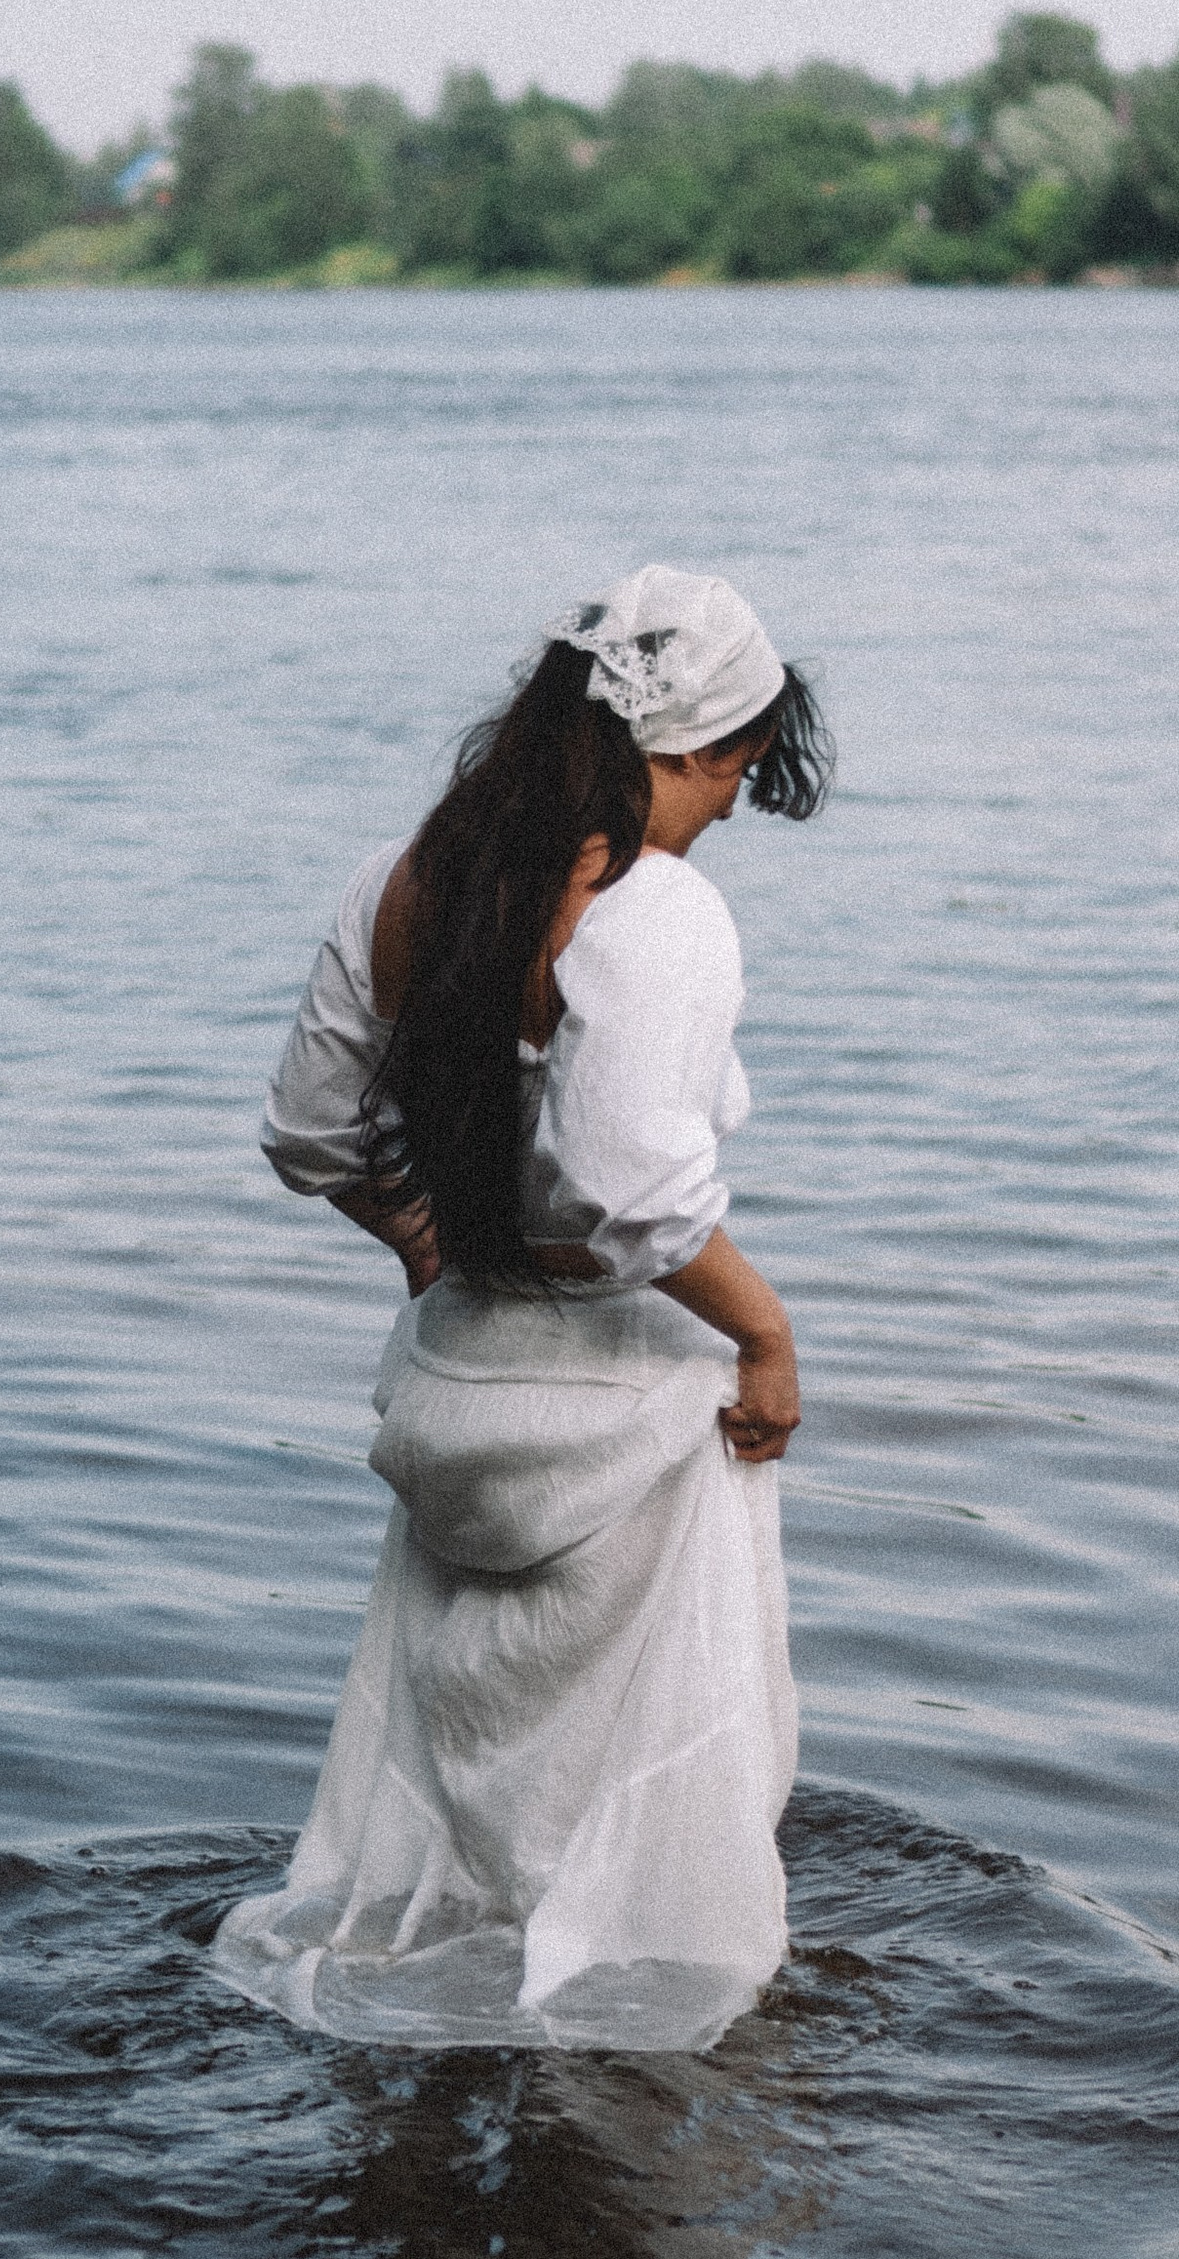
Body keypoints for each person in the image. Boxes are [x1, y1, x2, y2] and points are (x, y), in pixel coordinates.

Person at [213, 566, 832, 2055]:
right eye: (739, 767)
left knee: (476, 1763)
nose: (736, 806)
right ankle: (611, 2085)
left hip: (453, 1394)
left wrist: (432, 1243)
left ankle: (439, 2090)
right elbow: (630, 1187)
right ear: (678, 749)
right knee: (639, 1801)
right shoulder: (659, 909)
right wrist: (764, 1335)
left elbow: (309, 1133)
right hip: (613, 1422)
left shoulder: (411, 875)